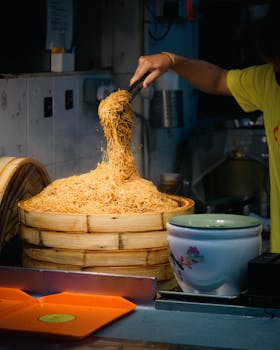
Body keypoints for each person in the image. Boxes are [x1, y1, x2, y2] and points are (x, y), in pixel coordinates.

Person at [130, 2, 280, 253]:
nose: (277, 72)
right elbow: (217, 79)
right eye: (275, 66)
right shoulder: (267, 81)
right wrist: (171, 60)